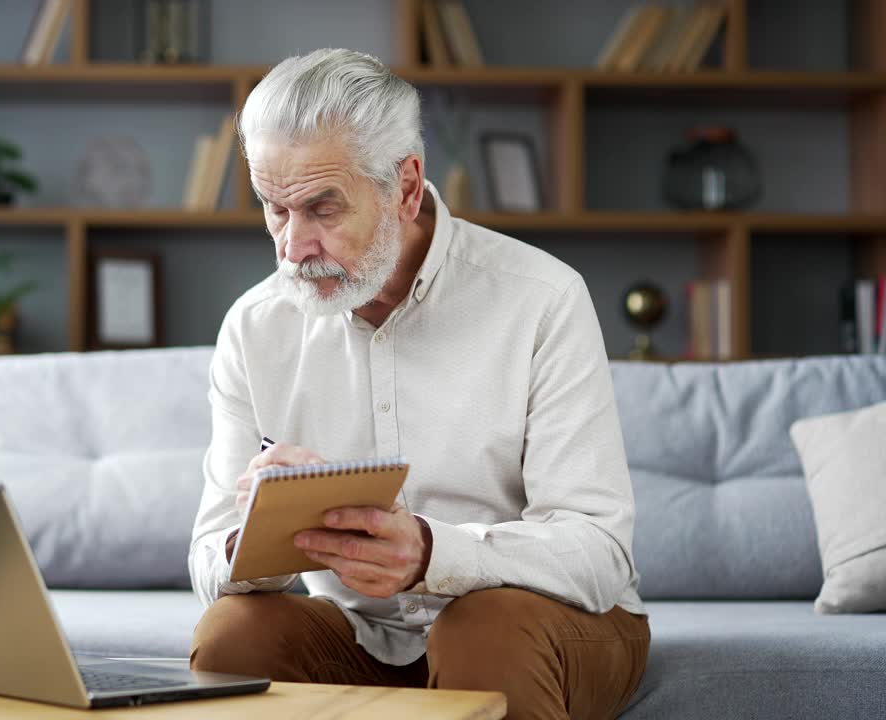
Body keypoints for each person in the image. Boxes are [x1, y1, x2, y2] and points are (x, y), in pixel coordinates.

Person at [187, 48, 650, 720]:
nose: (292, 248)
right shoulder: (255, 327)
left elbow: (599, 552)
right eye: (274, 209)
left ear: (405, 187)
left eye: (322, 208)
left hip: (542, 624)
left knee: (479, 629)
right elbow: (208, 562)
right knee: (232, 636)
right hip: (363, 634)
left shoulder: (541, 299)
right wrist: (259, 533)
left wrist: (432, 554)